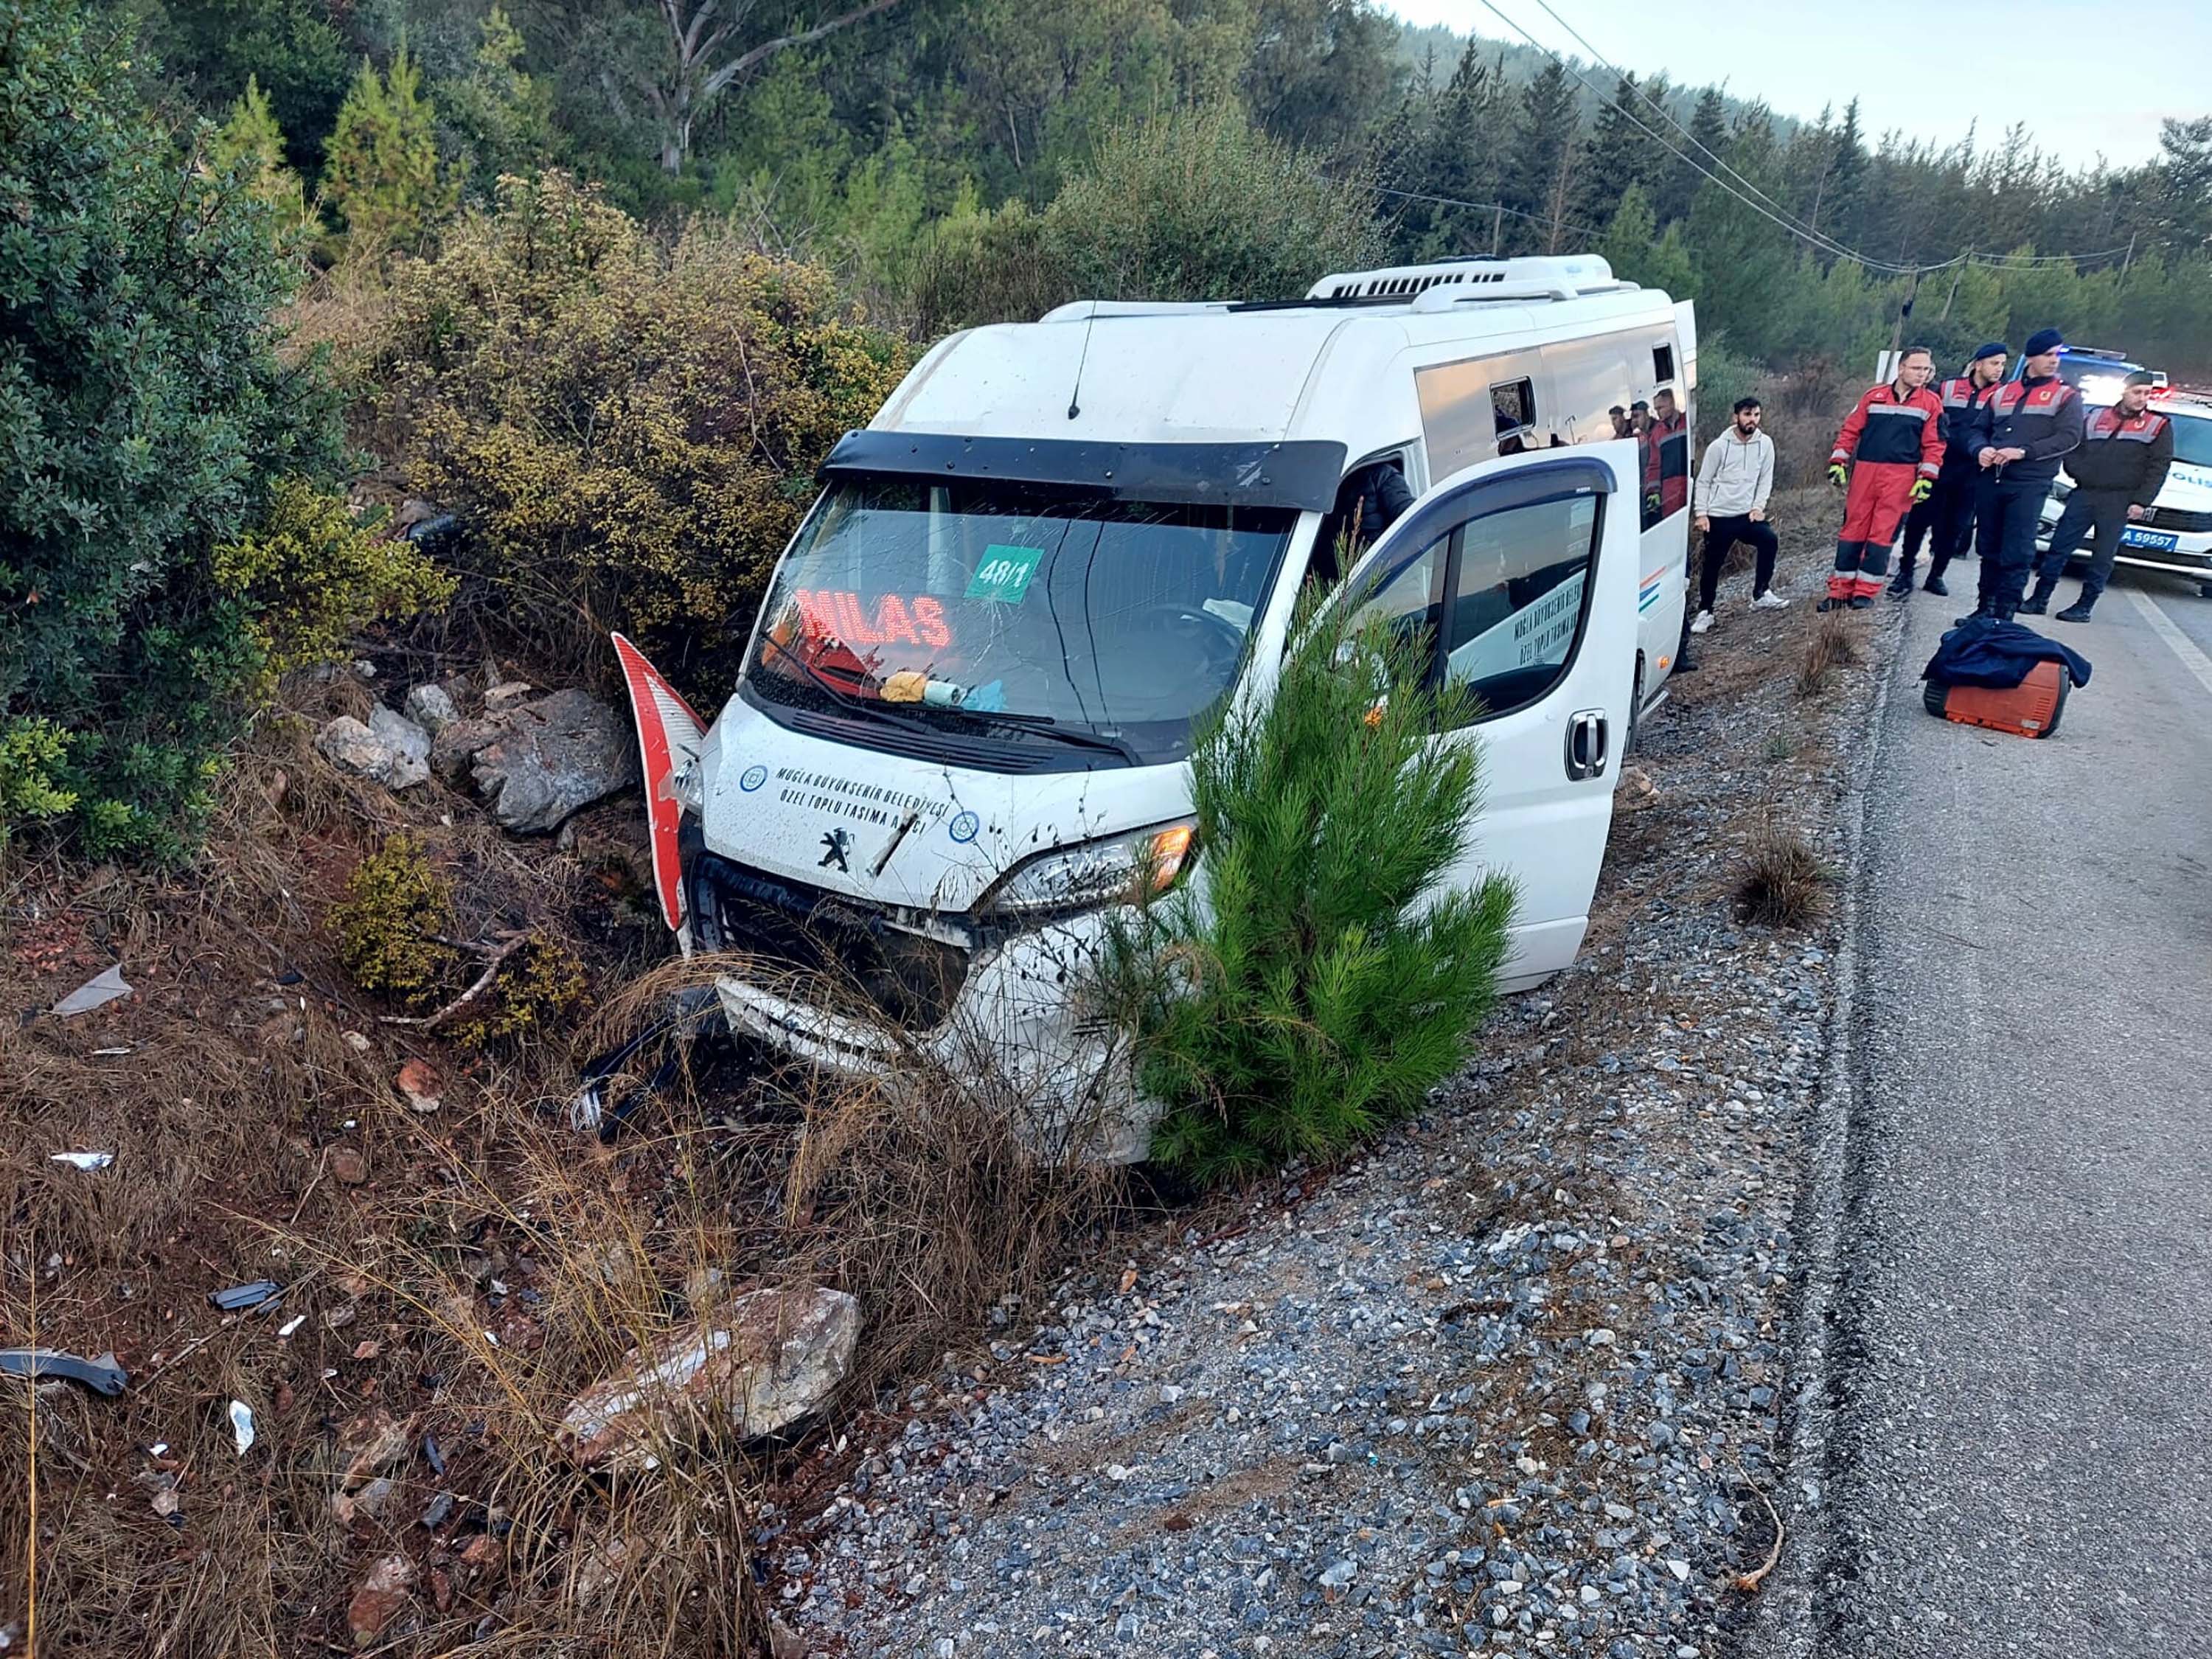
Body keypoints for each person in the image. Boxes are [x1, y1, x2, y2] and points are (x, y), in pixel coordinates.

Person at [2022, 370, 2172, 622]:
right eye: (2137, 392)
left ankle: (2084, 606)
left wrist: (2141, 501)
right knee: (2059, 547)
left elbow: (2159, 467)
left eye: (2147, 393)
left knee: (2103, 556)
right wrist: (2079, 472)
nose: (2142, 398)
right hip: (2086, 492)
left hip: (2119, 499)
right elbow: (2073, 447)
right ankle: (2039, 598)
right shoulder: (2095, 417)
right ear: (2124, 391)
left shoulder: (2158, 426)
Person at [1959, 327, 2085, 624]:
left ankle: (2005, 614)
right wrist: (1980, 449)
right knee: (1988, 547)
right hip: (1993, 478)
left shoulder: (2065, 396)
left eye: (2057, 355)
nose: (2054, 361)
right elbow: (1978, 429)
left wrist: (2024, 451)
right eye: (2048, 355)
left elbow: (2069, 437)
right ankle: (1983, 609)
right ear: (2031, 357)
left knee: (2017, 551)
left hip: (2030, 481)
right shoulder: (2003, 393)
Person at [1823, 347, 1944, 610]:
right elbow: (1850, 430)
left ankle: (1865, 592)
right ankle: (1839, 591)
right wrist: (1838, 461)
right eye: (1917, 368)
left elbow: (1934, 445)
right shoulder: (1873, 396)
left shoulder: (1931, 404)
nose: (1922, 374)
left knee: (1882, 534)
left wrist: (1926, 477)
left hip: (1901, 477)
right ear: (1901, 368)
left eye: (1926, 369)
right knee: (1852, 530)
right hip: (1866, 472)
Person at [1891, 341, 2006, 599]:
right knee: (1919, 522)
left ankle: (1936, 576)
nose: (1999, 369)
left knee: (1955, 528)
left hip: (1973, 473)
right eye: (1994, 363)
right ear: (1978, 364)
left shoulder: (2002, 395)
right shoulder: (1948, 387)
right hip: (1938, 466)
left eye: (2002, 364)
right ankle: (1905, 572)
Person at [1686, 396, 1784, 642]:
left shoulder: (1766, 444)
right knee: (1712, 565)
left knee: (1769, 540)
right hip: (1719, 516)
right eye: (1747, 414)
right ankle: (1706, 612)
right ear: (1736, 417)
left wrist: (1759, 507)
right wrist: (1702, 514)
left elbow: (1765, 480)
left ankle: (1761, 594)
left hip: (1747, 514)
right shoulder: (1719, 446)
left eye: (1756, 415)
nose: (1752, 420)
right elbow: (1704, 481)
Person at [1641, 388, 1690, 524]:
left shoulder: (1687, 422)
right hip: (1670, 490)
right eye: (1656, 409)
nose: (1658, 412)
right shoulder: (1657, 433)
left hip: (1688, 481)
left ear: (1672, 403)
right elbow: (1654, 465)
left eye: (1661, 407)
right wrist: (1653, 492)